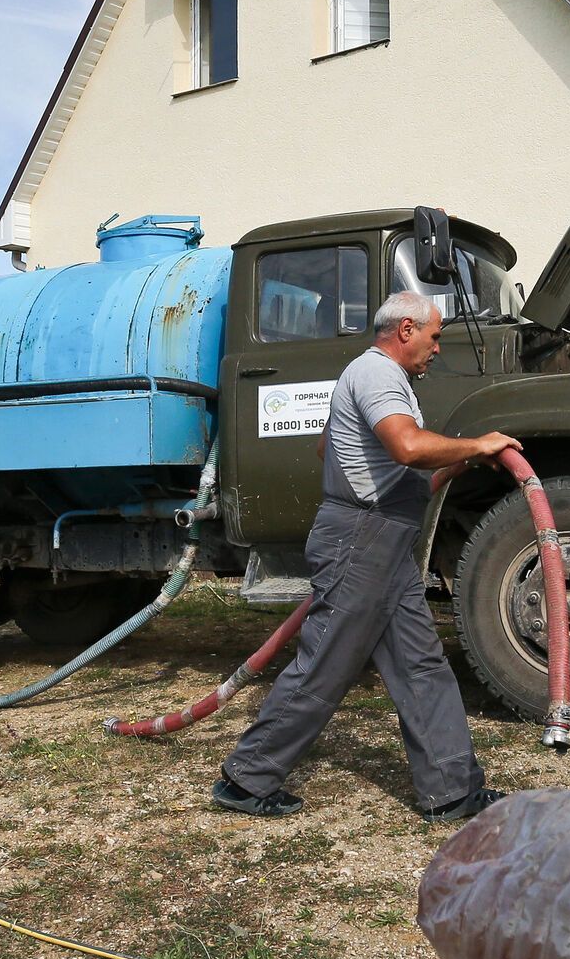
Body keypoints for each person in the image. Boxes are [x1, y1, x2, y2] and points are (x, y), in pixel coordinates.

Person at [213, 291, 519, 821]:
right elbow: (406, 448)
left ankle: (451, 790)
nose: (436, 348)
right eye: (434, 336)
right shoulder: (377, 373)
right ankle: (247, 778)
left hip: (383, 540)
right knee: (326, 665)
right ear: (405, 329)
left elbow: (345, 453)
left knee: (421, 663)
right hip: (361, 540)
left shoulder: (370, 377)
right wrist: (475, 445)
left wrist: (453, 467)